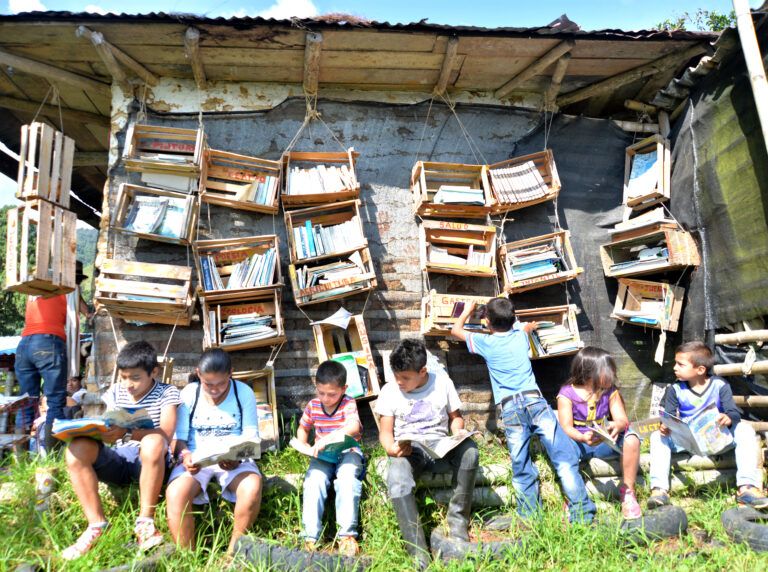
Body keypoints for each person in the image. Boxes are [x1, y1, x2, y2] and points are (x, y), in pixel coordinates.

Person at [451, 297, 595, 524]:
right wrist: (525, 326)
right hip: (535, 402)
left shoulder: (484, 343)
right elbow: (524, 326)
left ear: (487, 321)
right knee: (562, 457)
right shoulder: (521, 336)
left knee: (520, 462)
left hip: (510, 408)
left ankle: (530, 517)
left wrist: (467, 311)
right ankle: (583, 514)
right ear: (514, 318)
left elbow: (455, 330)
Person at [62, 341, 180, 560]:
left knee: (153, 441)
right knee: (76, 448)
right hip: (119, 457)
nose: (128, 384)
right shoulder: (115, 391)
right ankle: (96, 525)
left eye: (135, 378)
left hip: (151, 461)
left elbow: (165, 435)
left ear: (153, 372)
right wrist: (99, 432)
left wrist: (127, 433)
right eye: (124, 377)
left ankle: (145, 523)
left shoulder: (167, 393)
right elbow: (109, 422)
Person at [376, 339, 479, 570]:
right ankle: (419, 554)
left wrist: (457, 432)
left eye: (405, 378)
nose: (399, 382)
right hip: (410, 450)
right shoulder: (390, 391)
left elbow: (456, 418)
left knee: (470, 452)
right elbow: (385, 432)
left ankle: (458, 523)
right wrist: (391, 448)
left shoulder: (443, 383)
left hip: (442, 446)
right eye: (396, 376)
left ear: (423, 371)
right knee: (397, 478)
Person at [648, 341, 768, 509]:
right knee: (657, 437)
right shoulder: (674, 389)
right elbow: (668, 416)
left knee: (745, 430)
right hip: (688, 442)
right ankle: (659, 490)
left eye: (680, 364)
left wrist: (728, 418)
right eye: (675, 363)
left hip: (715, 440)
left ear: (700, 370)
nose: (675, 368)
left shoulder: (720, 385)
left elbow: (733, 413)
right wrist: (665, 426)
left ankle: (746, 488)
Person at [166, 348, 263, 554]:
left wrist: (236, 457)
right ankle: (187, 557)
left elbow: (251, 436)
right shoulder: (189, 393)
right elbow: (179, 440)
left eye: (221, 384)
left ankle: (233, 554)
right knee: (175, 493)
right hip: (196, 458)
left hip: (233, 457)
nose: (215, 390)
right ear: (198, 374)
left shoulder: (242, 392)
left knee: (252, 487)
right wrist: (185, 456)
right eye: (208, 384)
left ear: (230, 374)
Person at [556, 346, 642, 520]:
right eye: (608, 371)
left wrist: (616, 426)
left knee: (632, 438)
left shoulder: (610, 392)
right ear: (588, 372)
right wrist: (581, 437)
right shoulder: (567, 393)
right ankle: (573, 497)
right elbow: (566, 426)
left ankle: (628, 493)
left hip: (605, 439)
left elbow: (622, 419)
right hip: (579, 441)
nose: (613, 375)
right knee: (564, 452)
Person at [15, 260, 89, 448]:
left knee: (26, 403)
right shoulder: (66, 288)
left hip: (24, 344)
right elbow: (88, 313)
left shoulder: (35, 290)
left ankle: (20, 461)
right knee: (56, 402)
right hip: (48, 342)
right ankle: (51, 459)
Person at [296, 360, 364, 556]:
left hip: (348, 453)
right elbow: (303, 428)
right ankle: (309, 537)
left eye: (332, 394)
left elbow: (353, 427)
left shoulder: (348, 403)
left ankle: (346, 536)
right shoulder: (313, 405)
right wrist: (304, 445)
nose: (326, 398)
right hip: (323, 457)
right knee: (313, 482)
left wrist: (329, 439)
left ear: (344, 389)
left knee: (347, 479)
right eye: (321, 392)